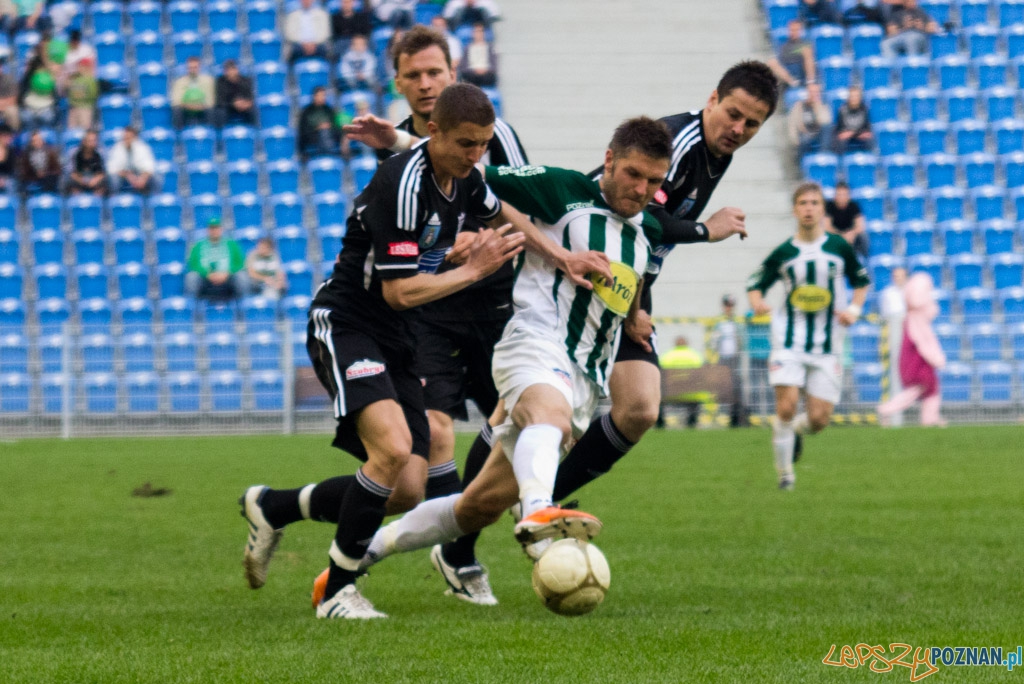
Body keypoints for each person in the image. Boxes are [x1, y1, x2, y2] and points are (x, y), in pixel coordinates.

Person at [238, 83, 587, 620]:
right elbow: (397, 291)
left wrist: (561, 257)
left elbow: (504, 212)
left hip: (398, 335)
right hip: (349, 323)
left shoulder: (465, 177)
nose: (476, 155)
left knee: (404, 489)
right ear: (433, 132)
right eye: (466, 143)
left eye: (483, 144)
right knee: (394, 450)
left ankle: (272, 506)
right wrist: (471, 267)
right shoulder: (402, 183)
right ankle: (337, 593)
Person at [317, 117, 672, 608]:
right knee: (549, 417)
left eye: (654, 181)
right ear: (609, 160)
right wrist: (396, 140)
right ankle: (540, 510)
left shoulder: (649, 229)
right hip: (535, 342)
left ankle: (357, 558)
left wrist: (635, 318)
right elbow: (472, 169)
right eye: (634, 174)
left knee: (476, 507)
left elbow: (634, 281)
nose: (642, 189)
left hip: (584, 379)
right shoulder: (562, 188)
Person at [342, 25, 530, 604]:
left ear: (454, 73)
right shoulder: (397, 157)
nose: (425, 83)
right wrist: (453, 248)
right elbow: (407, 244)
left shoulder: (498, 135)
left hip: (493, 305)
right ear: (398, 83)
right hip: (425, 310)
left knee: (515, 426)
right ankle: (459, 553)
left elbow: (514, 204)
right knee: (437, 432)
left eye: (434, 72)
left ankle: (464, 542)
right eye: (413, 75)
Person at [747, 182, 870, 490]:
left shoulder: (839, 248)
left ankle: (796, 431)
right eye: (803, 203)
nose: (809, 208)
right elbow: (755, 283)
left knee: (818, 420)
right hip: (788, 342)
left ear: (822, 210)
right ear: (794, 210)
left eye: (814, 203)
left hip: (827, 346)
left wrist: (854, 310)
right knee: (786, 407)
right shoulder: (785, 252)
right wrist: (757, 302)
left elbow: (861, 281)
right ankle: (785, 476)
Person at [876, 272, 945, 427]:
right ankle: (887, 409)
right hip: (918, 364)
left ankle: (930, 418)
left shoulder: (911, 319)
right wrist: (937, 358)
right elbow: (923, 343)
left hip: (918, 363)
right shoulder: (915, 319)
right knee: (921, 388)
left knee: (929, 389)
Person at [185, 218, 249, 301]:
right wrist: (207, 274)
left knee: (242, 276)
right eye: (212, 228)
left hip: (227, 277)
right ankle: (191, 305)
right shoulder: (198, 245)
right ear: (208, 230)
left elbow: (239, 263)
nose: (214, 231)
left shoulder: (232, 244)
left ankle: (245, 304)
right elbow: (193, 264)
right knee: (192, 277)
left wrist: (227, 273)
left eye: (216, 228)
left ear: (221, 229)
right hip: (205, 278)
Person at [711, 294, 746, 427]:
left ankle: (736, 415)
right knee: (724, 388)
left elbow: (742, 341)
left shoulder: (737, 322)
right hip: (723, 359)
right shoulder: (718, 322)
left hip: (735, 359)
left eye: (731, 305)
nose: (729, 308)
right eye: (727, 305)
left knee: (736, 386)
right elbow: (713, 342)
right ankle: (722, 414)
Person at [659, 335, 706, 428]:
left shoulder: (667, 356)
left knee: (659, 391)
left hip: (670, 394)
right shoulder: (695, 356)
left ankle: (660, 421)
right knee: (699, 389)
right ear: (687, 344)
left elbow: (661, 374)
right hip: (691, 394)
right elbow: (700, 375)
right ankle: (692, 421)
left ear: (675, 344)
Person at [824, 181, 868, 261]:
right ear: (835, 195)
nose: (841, 197)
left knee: (864, 236)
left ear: (848, 196)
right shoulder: (829, 206)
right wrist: (841, 236)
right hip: (835, 237)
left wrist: (852, 233)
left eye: (844, 194)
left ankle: (864, 259)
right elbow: (827, 227)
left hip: (851, 237)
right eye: (839, 194)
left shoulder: (854, 206)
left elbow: (860, 226)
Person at [106, 126, 156, 195]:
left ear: (135, 138)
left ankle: (154, 199)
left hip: (139, 175)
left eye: (129, 138)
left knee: (156, 177)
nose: (127, 140)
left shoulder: (143, 148)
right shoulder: (117, 148)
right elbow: (111, 169)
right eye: (125, 138)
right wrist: (128, 175)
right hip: (123, 177)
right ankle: (114, 199)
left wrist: (143, 178)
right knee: (114, 178)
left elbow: (150, 167)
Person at [788, 82, 831, 160]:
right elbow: (792, 124)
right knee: (804, 140)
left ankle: (822, 157)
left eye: (816, 92)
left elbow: (826, 121)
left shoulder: (822, 105)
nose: (813, 94)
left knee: (827, 128)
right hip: (805, 132)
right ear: (807, 92)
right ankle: (803, 162)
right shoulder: (799, 105)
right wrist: (794, 139)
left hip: (818, 132)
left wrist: (817, 106)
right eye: (811, 92)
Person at [768, 19, 816, 89]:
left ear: (800, 31)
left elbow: (808, 57)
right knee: (771, 62)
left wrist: (796, 53)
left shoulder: (805, 43)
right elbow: (782, 59)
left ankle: (810, 81)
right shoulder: (784, 45)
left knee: (807, 52)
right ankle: (793, 83)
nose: (794, 32)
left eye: (796, 30)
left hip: (801, 70)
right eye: (792, 30)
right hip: (788, 72)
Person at [171, 56, 215, 129]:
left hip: (203, 108)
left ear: (199, 68)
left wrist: (201, 106)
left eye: (195, 67)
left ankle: (210, 132)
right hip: (185, 108)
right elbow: (176, 101)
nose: (193, 70)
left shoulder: (208, 81)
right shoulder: (180, 82)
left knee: (211, 110)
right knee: (177, 110)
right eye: (190, 68)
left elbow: (210, 100)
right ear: (187, 68)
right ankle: (178, 133)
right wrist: (190, 106)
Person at [18, 46, 57, 129]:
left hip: (46, 108)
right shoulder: (27, 79)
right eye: (37, 68)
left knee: (48, 117)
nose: (39, 71)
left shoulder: (49, 79)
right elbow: (21, 95)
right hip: (30, 107)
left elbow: (55, 96)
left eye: (41, 68)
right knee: (26, 116)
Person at [297, 86, 342, 158]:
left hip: (330, 135)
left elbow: (335, 126)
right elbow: (303, 130)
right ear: (314, 97)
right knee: (324, 133)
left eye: (324, 95)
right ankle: (329, 156)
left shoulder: (329, 110)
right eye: (320, 95)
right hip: (313, 137)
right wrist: (318, 127)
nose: (323, 97)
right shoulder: (307, 111)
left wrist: (328, 126)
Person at [17, 129, 59, 195]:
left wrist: (46, 173)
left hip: (48, 178)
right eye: (34, 141)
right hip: (32, 179)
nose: (37, 142)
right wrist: (36, 174)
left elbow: (57, 169)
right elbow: (24, 173)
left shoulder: (51, 153)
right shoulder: (26, 155)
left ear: (42, 141)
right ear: (31, 143)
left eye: (39, 140)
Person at [833, 85, 873, 154]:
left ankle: (870, 158)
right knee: (840, 141)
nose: (854, 98)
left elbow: (867, 128)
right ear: (849, 97)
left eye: (856, 96)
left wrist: (857, 133)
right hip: (847, 135)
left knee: (870, 139)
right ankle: (841, 159)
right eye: (852, 96)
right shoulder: (842, 110)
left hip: (860, 135)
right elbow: (839, 130)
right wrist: (844, 133)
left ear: (860, 97)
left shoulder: (865, 109)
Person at [66, 129, 106, 197]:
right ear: (84, 141)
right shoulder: (74, 153)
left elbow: (103, 172)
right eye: (90, 141)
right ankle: (75, 199)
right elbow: (71, 172)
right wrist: (81, 181)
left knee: (105, 182)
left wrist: (95, 180)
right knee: (68, 181)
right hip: (79, 179)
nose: (92, 143)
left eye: (94, 141)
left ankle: (97, 200)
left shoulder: (100, 153)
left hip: (94, 179)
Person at [215, 60, 255, 127]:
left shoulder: (246, 81)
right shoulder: (220, 82)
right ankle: (221, 131)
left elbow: (250, 96)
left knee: (254, 110)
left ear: (237, 70)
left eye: (233, 69)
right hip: (229, 107)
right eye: (228, 70)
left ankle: (254, 130)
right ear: (225, 72)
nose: (231, 72)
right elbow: (220, 100)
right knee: (220, 111)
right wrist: (233, 104)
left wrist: (247, 103)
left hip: (244, 106)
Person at [64, 57, 98, 131]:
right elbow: (67, 90)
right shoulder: (75, 78)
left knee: (85, 130)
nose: (79, 68)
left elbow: (93, 95)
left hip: (85, 108)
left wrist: (80, 96)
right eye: (78, 66)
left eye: (81, 66)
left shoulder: (90, 80)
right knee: (72, 130)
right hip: (73, 108)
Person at [459, 23, 497, 88]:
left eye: (480, 31)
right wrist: (475, 70)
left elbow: (494, 65)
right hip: (471, 74)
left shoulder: (490, 48)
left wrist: (484, 70)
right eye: (476, 31)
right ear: (473, 33)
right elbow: (463, 66)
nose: (478, 34)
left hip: (486, 75)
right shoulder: (467, 48)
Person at [0, 53, 19, 131]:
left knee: (13, 111)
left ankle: (14, 134)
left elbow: (13, 99)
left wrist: (2, 104)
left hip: (6, 107)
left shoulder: (9, 79)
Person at [0, 124, 15, 192]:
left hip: (7, 180)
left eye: (10, 136)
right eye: (7, 136)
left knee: (10, 184)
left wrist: (4, 179)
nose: (10, 139)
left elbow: (11, 170)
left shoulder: (11, 151)